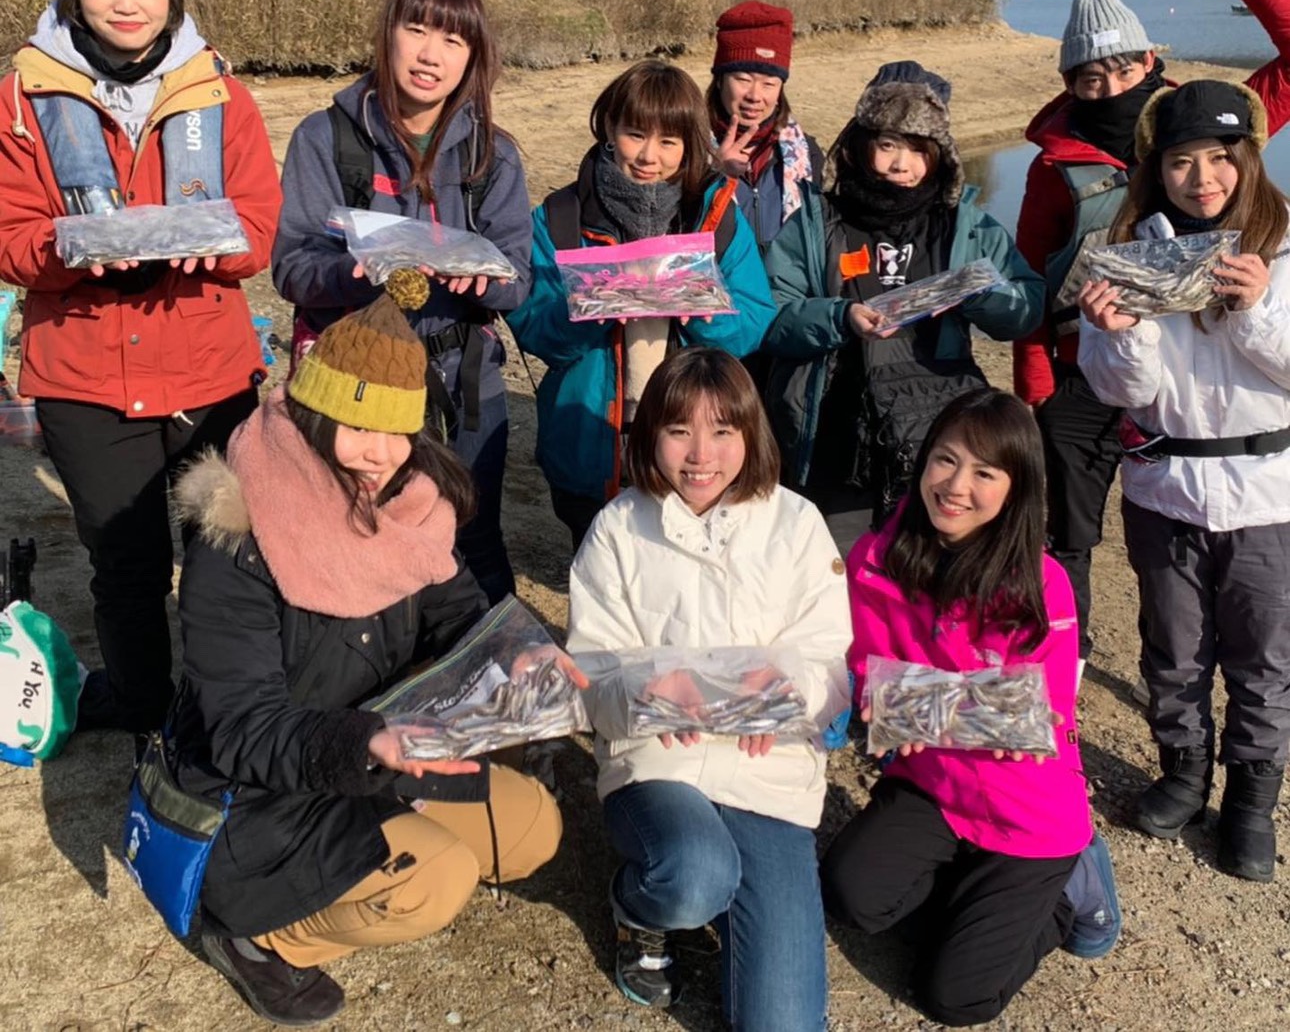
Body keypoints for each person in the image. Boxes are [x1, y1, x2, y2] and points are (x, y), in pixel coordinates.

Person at [170, 278, 575, 1026]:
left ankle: (386, 832)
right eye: (357, 427)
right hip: (260, 793)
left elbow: (455, 608)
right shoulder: (238, 534)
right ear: (310, 412)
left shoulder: (409, 500)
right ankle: (262, 937)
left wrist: (517, 652)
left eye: (397, 432)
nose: (378, 454)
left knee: (533, 830)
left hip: (379, 750)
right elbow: (241, 727)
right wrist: (369, 744)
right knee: (436, 883)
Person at [0, 0, 280, 735]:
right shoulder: (21, 96)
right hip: (85, 378)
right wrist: (75, 250)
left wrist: (218, 243)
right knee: (123, 562)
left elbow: (258, 229)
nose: (128, 2)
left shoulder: (219, 92)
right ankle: (141, 703)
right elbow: (11, 238)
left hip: (206, 366)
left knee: (223, 555)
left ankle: (226, 708)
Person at [1013, 0, 1290, 661]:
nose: (1109, 85)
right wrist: (1038, 387)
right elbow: (1033, 280)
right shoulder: (1051, 167)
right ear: (1071, 82)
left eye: (1123, 67)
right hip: (1083, 369)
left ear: (1150, 60)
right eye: (1089, 76)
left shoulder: (1208, 124)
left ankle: (1180, 657)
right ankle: (1063, 659)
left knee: (1170, 542)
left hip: (1186, 375)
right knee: (1068, 532)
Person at [565, 347, 851, 1030]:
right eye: (678, 430)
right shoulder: (618, 528)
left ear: (751, 434)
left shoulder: (797, 523)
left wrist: (786, 687)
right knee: (694, 876)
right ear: (648, 436)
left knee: (781, 1023)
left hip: (768, 772)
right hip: (661, 762)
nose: (701, 454)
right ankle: (642, 912)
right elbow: (590, 675)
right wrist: (643, 686)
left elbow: (830, 662)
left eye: (723, 430)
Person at [821, 389, 1120, 1028]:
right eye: (945, 461)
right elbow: (867, 676)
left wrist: (920, 703)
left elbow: (1033, 714)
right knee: (851, 897)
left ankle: (1069, 891)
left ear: (1016, 489)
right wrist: (882, 700)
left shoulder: (1040, 583)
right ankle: (976, 901)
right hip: (931, 784)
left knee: (956, 998)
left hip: (1025, 810)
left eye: (985, 473)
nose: (956, 486)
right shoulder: (874, 560)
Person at [1079, 79, 1290, 883]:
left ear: (1248, 159)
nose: (1202, 177)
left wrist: (1259, 309)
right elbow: (1119, 391)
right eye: (1181, 161)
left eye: (1220, 157)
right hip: (1164, 487)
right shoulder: (1133, 249)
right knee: (1173, 650)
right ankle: (1183, 774)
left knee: (1264, 662)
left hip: (1270, 492)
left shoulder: (1285, 244)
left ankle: (1250, 802)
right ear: (1155, 169)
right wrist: (1119, 333)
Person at [273, 0, 531, 606]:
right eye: (416, 29)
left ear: (473, 56)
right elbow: (290, 265)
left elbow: (519, 282)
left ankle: (489, 680)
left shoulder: (492, 156)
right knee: (355, 541)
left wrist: (481, 281)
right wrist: (347, 274)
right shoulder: (323, 137)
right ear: (388, 34)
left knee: (470, 539)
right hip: (352, 385)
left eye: (453, 40)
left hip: (462, 378)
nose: (430, 54)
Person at [762, 64, 1043, 555]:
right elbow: (773, 317)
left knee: (932, 573)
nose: (901, 164)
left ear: (940, 155)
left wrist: (979, 295)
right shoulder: (816, 221)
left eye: (918, 148)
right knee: (842, 580)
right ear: (861, 143)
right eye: (888, 144)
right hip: (836, 428)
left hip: (941, 431)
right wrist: (838, 318)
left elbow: (1027, 308)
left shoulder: (965, 224)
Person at [506, 60, 776, 550]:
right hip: (589, 436)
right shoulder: (559, 217)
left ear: (689, 146)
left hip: (690, 439)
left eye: (669, 142)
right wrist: (587, 310)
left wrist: (710, 318)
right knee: (598, 568)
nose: (650, 156)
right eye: (635, 135)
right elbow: (529, 323)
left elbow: (755, 318)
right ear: (610, 127)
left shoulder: (716, 215)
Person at [706, 0, 823, 255]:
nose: (755, 96)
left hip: (784, 291)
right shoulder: (687, 147)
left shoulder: (806, 154)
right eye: (743, 79)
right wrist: (714, 176)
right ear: (719, 81)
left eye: (769, 84)